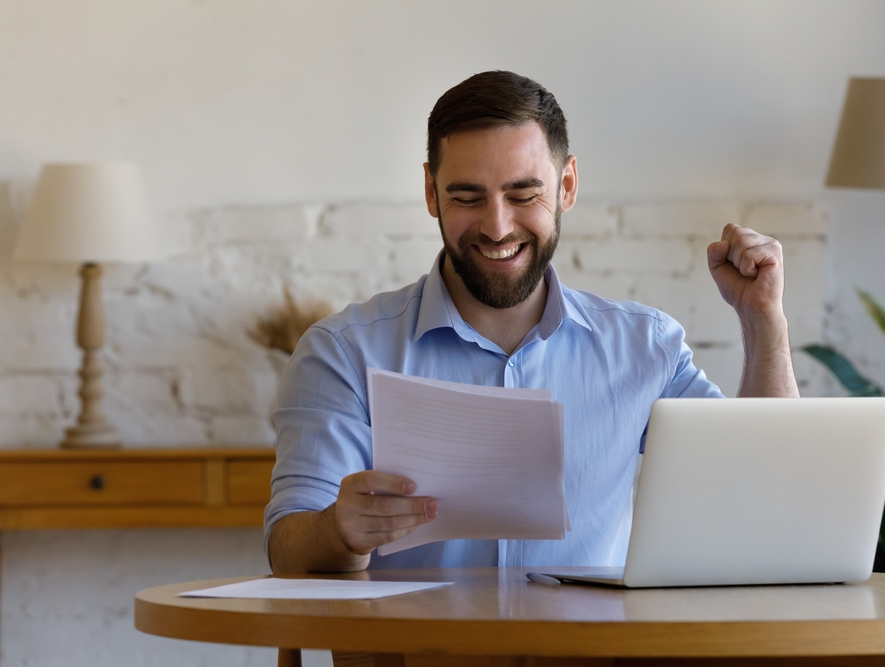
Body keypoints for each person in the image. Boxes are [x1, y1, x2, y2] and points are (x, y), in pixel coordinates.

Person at [265, 71, 799, 575]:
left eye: (524, 194)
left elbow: (760, 486)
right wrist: (341, 530)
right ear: (431, 193)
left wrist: (763, 322)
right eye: (466, 197)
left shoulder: (645, 347)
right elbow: (289, 549)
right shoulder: (343, 353)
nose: (498, 227)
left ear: (566, 185)